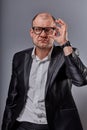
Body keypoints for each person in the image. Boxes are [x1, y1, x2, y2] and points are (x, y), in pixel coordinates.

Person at [1, 12, 87, 130]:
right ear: (31, 32)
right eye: (38, 29)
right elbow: (12, 98)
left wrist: (64, 43)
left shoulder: (66, 55)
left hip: (55, 124)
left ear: (55, 32)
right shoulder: (19, 58)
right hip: (23, 123)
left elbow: (81, 81)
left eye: (48, 30)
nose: (43, 34)